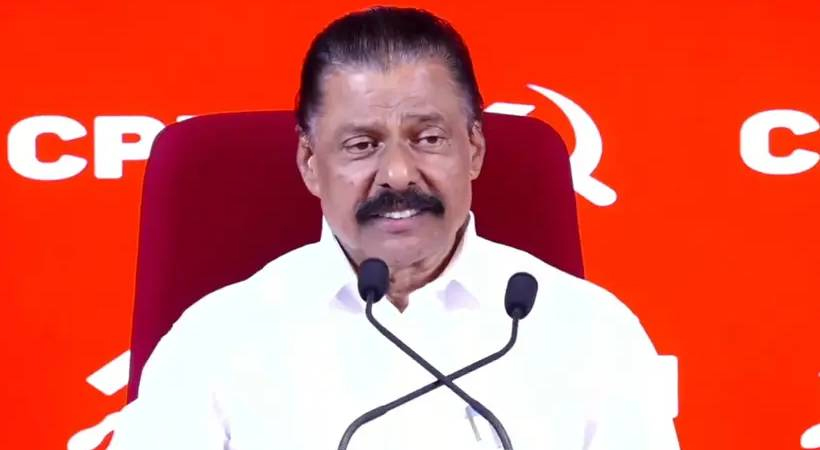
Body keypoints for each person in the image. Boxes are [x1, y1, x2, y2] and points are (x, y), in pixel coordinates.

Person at [109, 6, 680, 450]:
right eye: (362, 145)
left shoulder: (589, 330)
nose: (398, 174)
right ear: (310, 163)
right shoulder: (218, 339)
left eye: (428, 138)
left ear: (474, 149)